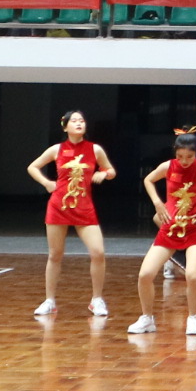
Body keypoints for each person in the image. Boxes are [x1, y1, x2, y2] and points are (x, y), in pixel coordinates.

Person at [128, 138, 196, 338]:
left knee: (193, 275)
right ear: (175, 153)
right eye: (180, 156)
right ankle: (147, 318)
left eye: (189, 156)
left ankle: (193, 317)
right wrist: (157, 203)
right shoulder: (168, 166)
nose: (185, 161)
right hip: (170, 229)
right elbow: (148, 180)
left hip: (195, 230)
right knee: (145, 274)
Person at [26, 109, 116, 319]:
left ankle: (96, 299)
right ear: (65, 127)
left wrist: (103, 174)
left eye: (81, 120)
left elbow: (111, 171)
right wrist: (47, 183)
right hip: (59, 206)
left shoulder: (95, 149)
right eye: (74, 121)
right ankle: (49, 301)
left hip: (84, 207)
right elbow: (33, 167)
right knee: (55, 254)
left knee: (98, 252)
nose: (79, 123)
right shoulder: (56, 149)